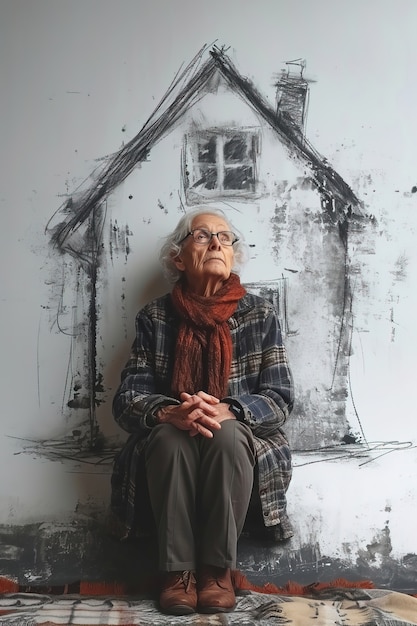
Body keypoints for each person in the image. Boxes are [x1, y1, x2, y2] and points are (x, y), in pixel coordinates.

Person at [111, 206, 294, 615]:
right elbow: (127, 400)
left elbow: (280, 397)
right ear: (178, 258)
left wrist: (230, 410)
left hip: (240, 434)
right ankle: (177, 574)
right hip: (172, 433)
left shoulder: (259, 314)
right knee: (170, 437)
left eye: (224, 237)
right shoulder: (155, 317)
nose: (216, 243)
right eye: (202, 235)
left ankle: (216, 571)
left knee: (225, 433)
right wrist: (169, 412)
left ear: (232, 255)